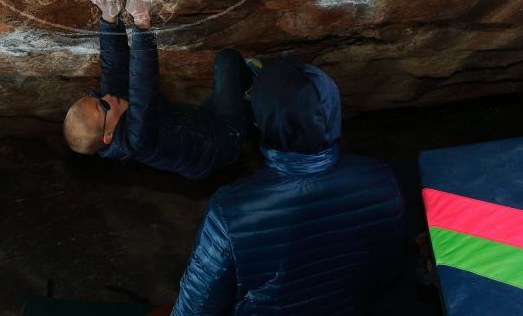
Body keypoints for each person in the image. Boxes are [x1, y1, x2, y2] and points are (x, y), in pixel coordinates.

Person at [171, 57, 406, 315]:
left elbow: (196, 308)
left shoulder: (230, 211)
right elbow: (388, 271)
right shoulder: (381, 177)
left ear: (263, 119)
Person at [62, 0, 252, 180]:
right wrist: (142, 21)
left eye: (94, 96)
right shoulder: (137, 141)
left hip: (198, 122)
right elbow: (142, 85)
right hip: (221, 144)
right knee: (227, 60)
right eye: (101, 105)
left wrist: (109, 18)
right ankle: (255, 89)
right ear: (108, 135)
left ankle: (248, 104)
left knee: (233, 94)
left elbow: (113, 66)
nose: (106, 96)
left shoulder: (111, 107)